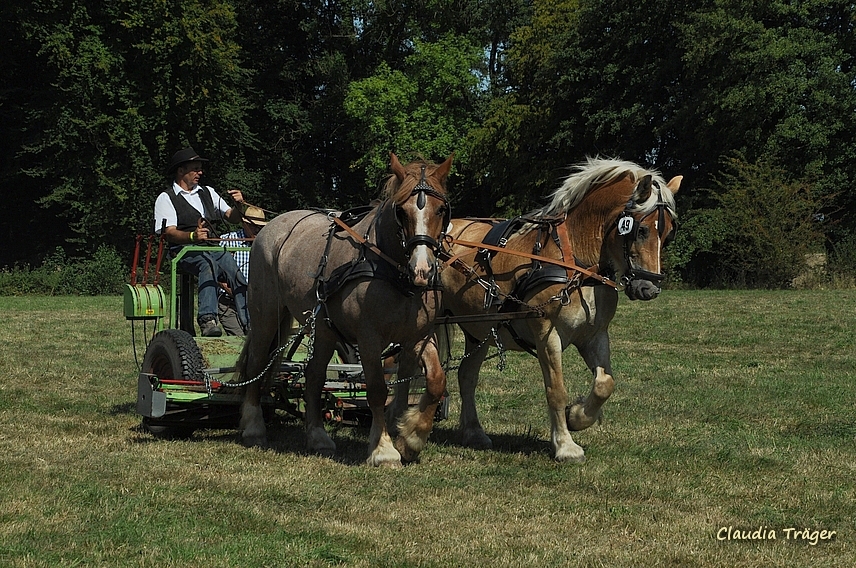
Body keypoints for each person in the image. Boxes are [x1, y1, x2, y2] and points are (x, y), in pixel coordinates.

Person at [153, 146, 249, 337]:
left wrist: (240, 204)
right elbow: (169, 233)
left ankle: (250, 322)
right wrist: (192, 237)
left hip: (210, 248)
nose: (200, 172)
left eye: (200, 168)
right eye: (195, 168)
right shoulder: (166, 198)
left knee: (235, 272)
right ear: (181, 170)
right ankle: (207, 320)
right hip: (183, 251)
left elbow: (232, 217)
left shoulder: (207, 192)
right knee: (208, 265)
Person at [217, 206, 268, 336]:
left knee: (255, 339)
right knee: (238, 339)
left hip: (255, 304)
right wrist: (229, 288)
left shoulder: (266, 245)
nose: (257, 229)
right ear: (244, 223)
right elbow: (215, 272)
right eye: (254, 225)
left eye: (260, 226)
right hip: (228, 302)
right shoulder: (227, 241)